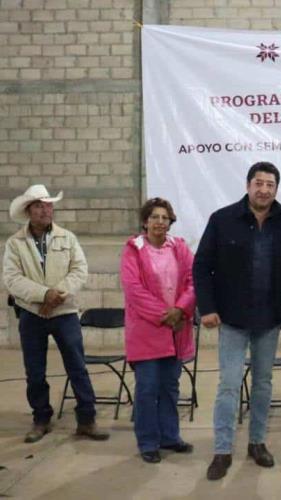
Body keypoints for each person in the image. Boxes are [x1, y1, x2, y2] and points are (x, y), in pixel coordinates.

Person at [193, 161, 281, 480]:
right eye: (259, 183)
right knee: (228, 384)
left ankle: (257, 442)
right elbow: (201, 266)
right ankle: (223, 449)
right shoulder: (223, 219)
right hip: (233, 318)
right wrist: (207, 307)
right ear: (248, 185)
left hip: (269, 319)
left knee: (263, 384)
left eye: (270, 184)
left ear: (276, 188)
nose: (264, 189)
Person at [3, 185, 109, 443]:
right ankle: (41, 419)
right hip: (31, 313)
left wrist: (56, 294)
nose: (46, 210)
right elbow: (12, 279)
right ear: (28, 211)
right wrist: (43, 295)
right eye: (39, 205)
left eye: (48, 205)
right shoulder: (15, 243)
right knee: (35, 371)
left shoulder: (67, 238)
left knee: (77, 367)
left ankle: (86, 419)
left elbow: (80, 271)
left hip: (65, 312)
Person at [119, 197, 196, 463]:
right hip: (147, 331)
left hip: (176, 330)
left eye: (165, 217)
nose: (160, 222)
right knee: (147, 389)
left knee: (170, 388)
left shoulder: (181, 248)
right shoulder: (133, 250)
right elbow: (134, 290)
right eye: (154, 217)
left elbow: (192, 281)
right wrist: (166, 315)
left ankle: (170, 437)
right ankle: (148, 442)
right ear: (145, 221)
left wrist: (181, 309)